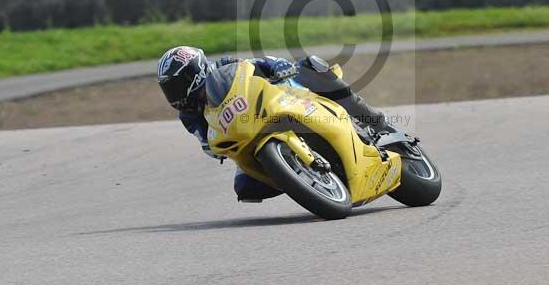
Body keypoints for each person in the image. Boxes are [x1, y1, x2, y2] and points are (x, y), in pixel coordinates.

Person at [156, 46, 398, 202]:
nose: (173, 94)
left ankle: (376, 122)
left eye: (175, 86)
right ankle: (301, 177)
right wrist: (212, 146)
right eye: (168, 89)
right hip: (249, 133)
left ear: (194, 74)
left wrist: (276, 65)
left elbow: (256, 63)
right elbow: (205, 139)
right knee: (245, 188)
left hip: (282, 97)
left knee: (311, 65)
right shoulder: (188, 115)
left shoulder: (223, 66)